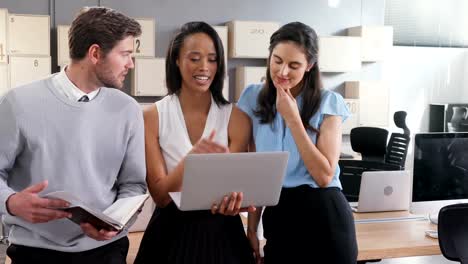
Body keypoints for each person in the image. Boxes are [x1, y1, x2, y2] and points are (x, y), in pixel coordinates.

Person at [0, 7, 147, 264]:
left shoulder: (128, 110)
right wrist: (11, 202)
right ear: (95, 53)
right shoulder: (17, 104)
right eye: (125, 54)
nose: (130, 64)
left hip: (107, 251)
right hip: (34, 253)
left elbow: (133, 186)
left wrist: (115, 224)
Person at [134, 21, 255, 264]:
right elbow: (160, 195)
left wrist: (236, 202)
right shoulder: (151, 117)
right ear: (176, 60)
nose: (204, 67)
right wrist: (191, 161)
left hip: (223, 235)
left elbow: (233, 187)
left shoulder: (237, 118)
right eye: (194, 58)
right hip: (169, 234)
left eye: (212, 59)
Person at [237, 22, 358, 264]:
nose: (282, 72)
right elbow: (255, 171)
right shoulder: (251, 98)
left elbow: (324, 176)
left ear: (310, 66)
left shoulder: (329, 102)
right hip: (279, 215)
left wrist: (293, 119)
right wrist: (252, 229)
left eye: (294, 65)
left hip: (326, 216)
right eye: (277, 60)